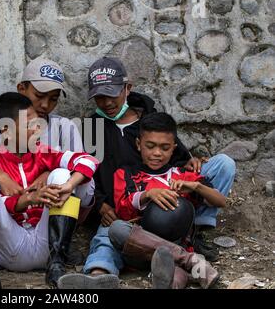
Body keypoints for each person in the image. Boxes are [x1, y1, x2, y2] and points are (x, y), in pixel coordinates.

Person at [83, 57, 235, 261]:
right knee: (107, 239)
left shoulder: (149, 119)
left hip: (166, 194)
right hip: (127, 204)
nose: (107, 102)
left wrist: (190, 162)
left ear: (127, 88)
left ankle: (194, 226)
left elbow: (176, 158)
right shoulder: (92, 129)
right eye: (100, 97)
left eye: (112, 94)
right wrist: (101, 206)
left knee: (223, 164)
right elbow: (88, 173)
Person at [0, 57, 95, 264]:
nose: (45, 105)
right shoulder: (7, 123)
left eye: (53, 99)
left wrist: (46, 172)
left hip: (49, 201)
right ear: (21, 89)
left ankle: (61, 242)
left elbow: (81, 170)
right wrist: (2, 176)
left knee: (76, 178)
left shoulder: (65, 126)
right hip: (13, 199)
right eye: (39, 95)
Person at [59, 112, 226, 289]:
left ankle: (169, 281)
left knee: (174, 276)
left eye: (164, 147)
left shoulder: (183, 176)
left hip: (172, 249)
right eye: (150, 146)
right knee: (115, 229)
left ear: (174, 148)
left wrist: (196, 187)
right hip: (137, 246)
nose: (157, 153)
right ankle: (99, 275)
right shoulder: (127, 175)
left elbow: (220, 201)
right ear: (139, 145)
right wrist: (148, 194)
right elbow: (122, 212)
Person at [0, 92, 98, 288]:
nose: (37, 128)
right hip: (10, 248)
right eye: (30, 125)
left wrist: (69, 185)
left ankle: (57, 265)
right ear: (6, 130)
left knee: (62, 174)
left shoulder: (43, 152)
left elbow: (88, 160)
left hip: (45, 245)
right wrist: (27, 200)